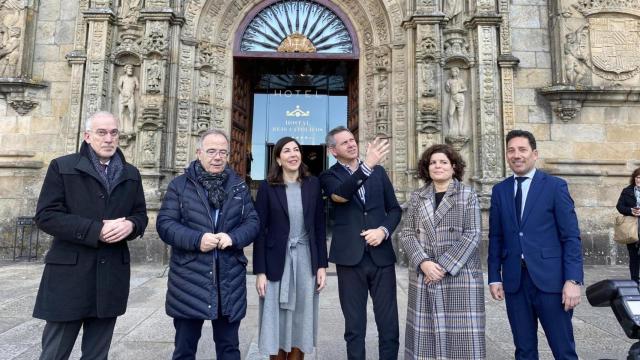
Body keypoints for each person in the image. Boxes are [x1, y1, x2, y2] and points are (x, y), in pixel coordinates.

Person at [33, 111, 148, 359]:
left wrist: (131, 225)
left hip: (111, 278)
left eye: (114, 133)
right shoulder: (62, 167)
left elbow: (140, 215)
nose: (109, 139)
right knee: (55, 352)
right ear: (87, 136)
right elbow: (46, 215)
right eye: (101, 133)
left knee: (97, 354)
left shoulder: (131, 173)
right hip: (69, 276)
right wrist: (96, 230)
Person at [156, 129, 259, 360]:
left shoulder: (238, 186)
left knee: (229, 349)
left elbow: (252, 222)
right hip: (189, 280)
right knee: (184, 349)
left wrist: (233, 238)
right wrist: (196, 240)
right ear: (199, 153)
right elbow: (165, 224)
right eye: (211, 151)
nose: (217, 157)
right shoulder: (180, 185)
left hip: (228, 279)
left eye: (223, 152)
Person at [488, 129, 583, 360]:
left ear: (534, 154)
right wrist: (494, 276)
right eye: (511, 150)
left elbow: (571, 237)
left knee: (563, 350)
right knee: (524, 350)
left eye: (522, 149)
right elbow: (496, 237)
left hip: (551, 282)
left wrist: (573, 280)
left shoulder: (554, 186)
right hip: (515, 283)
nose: (516, 155)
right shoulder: (499, 190)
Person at [320, 126, 402, 360]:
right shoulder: (329, 176)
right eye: (344, 142)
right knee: (354, 327)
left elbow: (394, 209)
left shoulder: (379, 172)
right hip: (350, 258)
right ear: (333, 151)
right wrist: (367, 166)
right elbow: (341, 195)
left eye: (353, 140)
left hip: (381, 257)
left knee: (389, 325)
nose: (351, 144)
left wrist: (384, 231)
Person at [400, 144, 485, 359]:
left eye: (443, 162)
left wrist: (443, 267)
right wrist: (425, 263)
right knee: (425, 337)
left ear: (453, 166)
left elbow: (473, 234)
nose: (437, 166)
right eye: (433, 162)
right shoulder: (418, 197)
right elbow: (407, 233)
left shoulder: (467, 195)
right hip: (424, 274)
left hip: (459, 275)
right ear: (426, 168)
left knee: (461, 339)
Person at [254, 136, 329, 360]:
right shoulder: (267, 187)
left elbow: (318, 226)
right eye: (286, 151)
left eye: (296, 150)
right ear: (278, 158)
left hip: (306, 260)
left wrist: (322, 266)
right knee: (275, 319)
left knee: (301, 318)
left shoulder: (313, 184)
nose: (293, 154)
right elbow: (260, 230)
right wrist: (260, 271)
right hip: (276, 261)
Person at [616, 167, 640, 283]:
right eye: (638, 177)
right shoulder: (627, 191)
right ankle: (635, 281)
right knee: (634, 256)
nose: (639, 180)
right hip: (631, 227)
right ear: (634, 178)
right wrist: (631, 210)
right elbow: (619, 207)